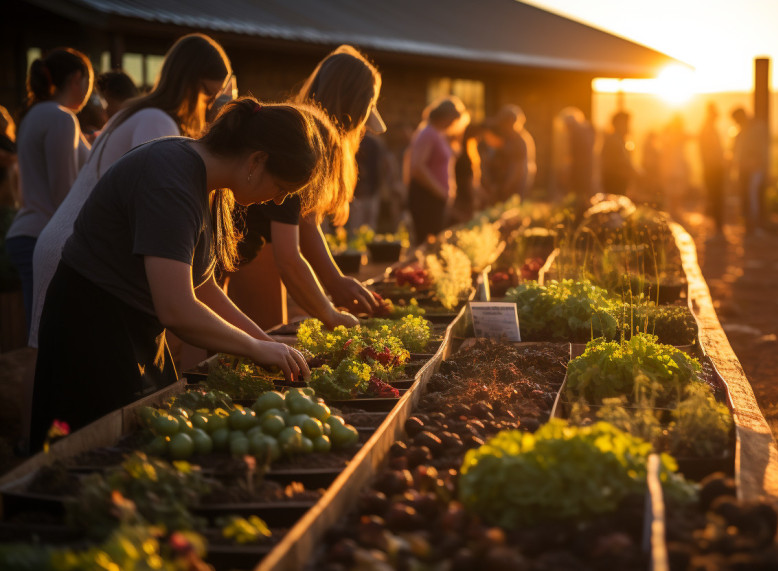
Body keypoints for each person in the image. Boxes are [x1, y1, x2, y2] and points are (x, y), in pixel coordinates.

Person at [30, 97, 336, 451]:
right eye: (281, 189)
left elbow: (201, 285)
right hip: (92, 327)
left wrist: (265, 343)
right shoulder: (170, 177)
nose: (279, 202)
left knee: (149, 446)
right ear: (257, 160)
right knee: (93, 456)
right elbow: (176, 308)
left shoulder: (210, 184)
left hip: (134, 326)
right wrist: (253, 347)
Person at [31, 33, 232, 349]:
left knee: (47, 351)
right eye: (208, 95)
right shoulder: (157, 122)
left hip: (69, 239)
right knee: (54, 358)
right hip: (78, 247)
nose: (209, 109)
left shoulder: (139, 111)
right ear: (189, 84)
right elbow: (153, 201)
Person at [226, 45, 384, 332]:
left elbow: (304, 221)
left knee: (261, 344)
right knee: (262, 345)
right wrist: (331, 313)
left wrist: (335, 282)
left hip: (256, 242)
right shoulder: (302, 142)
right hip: (247, 239)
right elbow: (288, 257)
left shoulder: (308, 130)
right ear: (354, 107)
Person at [5, 47, 93, 332]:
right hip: (44, 238)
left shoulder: (33, 115)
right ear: (77, 78)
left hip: (29, 233)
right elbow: (64, 194)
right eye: (90, 81)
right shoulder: (60, 118)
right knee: (48, 337)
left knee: (43, 336)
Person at [404, 96, 467, 245]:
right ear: (445, 116)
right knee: (427, 243)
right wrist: (439, 190)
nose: (453, 124)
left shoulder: (437, 134)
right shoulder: (428, 133)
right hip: (426, 197)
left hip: (434, 197)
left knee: (434, 241)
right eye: (453, 119)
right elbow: (417, 167)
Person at [482, 104, 535, 202]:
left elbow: (519, 168)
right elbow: (491, 157)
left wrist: (507, 186)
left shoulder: (521, 141)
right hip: (500, 183)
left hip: (517, 183)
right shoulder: (503, 137)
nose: (508, 128)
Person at [730, 106, 767, 234]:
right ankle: (748, 225)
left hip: (754, 170)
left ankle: (755, 225)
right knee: (746, 197)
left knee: (753, 197)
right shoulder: (741, 131)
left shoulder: (756, 129)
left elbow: (761, 149)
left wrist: (756, 162)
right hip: (743, 169)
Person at [550, 106, 595, 205]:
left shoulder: (576, 133)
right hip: (585, 170)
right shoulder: (585, 130)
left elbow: (572, 155)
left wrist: (567, 169)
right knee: (583, 195)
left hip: (580, 171)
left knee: (579, 195)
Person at [698, 102, 726, 236]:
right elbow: (709, 152)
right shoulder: (708, 130)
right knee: (716, 197)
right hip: (713, 169)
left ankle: (717, 227)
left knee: (715, 197)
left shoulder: (707, 129)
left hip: (713, 168)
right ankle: (717, 227)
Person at [452, 121, 485, 224]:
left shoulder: (466, 150)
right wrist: (476, 195)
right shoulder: (464, 156)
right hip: (463, 196)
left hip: (463, 194)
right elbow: (467, 179)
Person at [600, 110, 635, 196]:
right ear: (617, 124)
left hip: (618, 181)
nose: (628, 127)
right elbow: (622, 162)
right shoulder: (613, 140)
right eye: (626, 123)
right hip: (615, 182)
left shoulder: (621, 140)